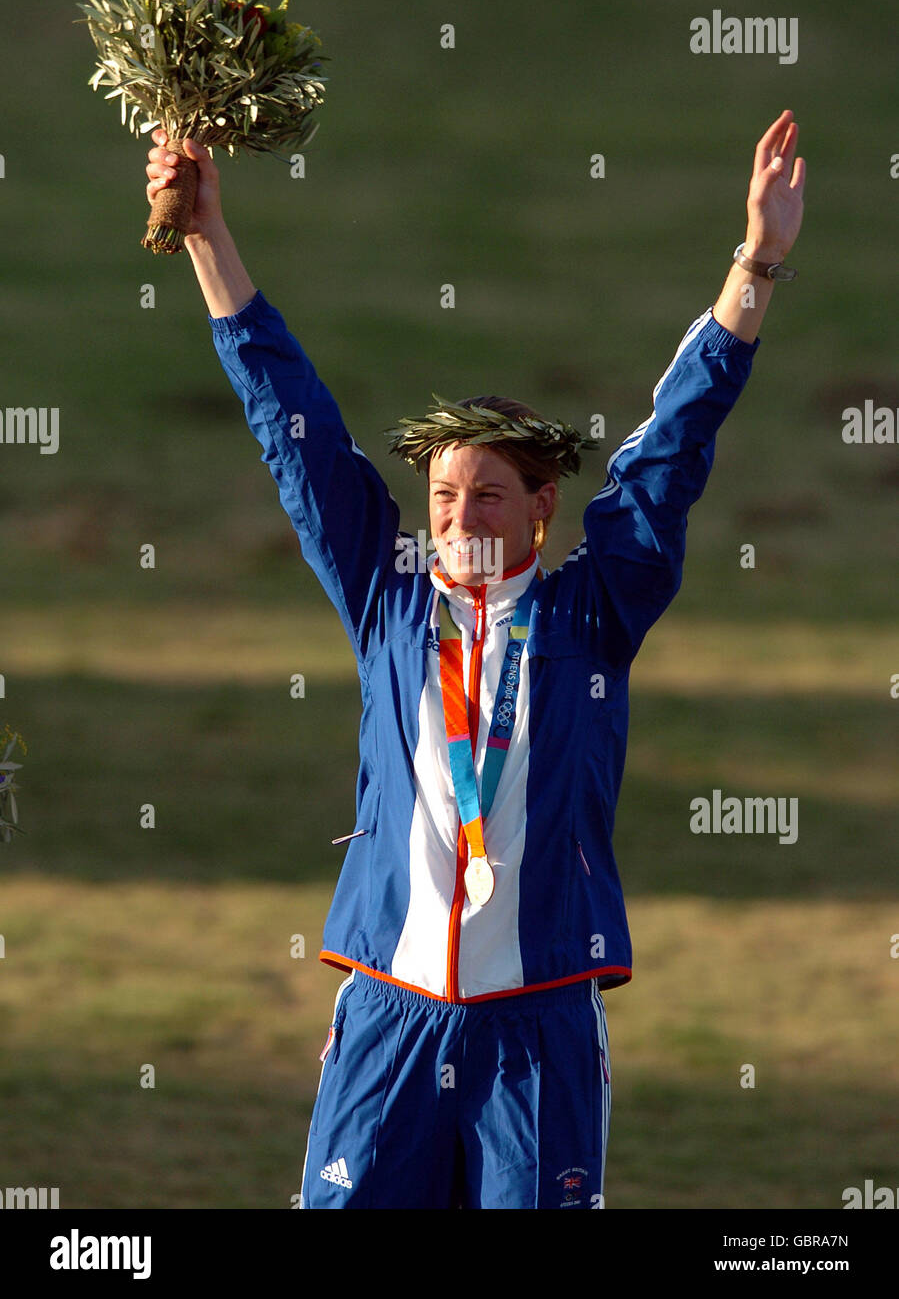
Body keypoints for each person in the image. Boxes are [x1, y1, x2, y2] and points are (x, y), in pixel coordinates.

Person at [146, 110, 805, 1209]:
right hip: (389, 1012)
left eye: (487, 494)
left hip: (536, 1018)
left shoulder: (592, 612)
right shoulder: (384, 600)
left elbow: (670, 454)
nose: (457, 516)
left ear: (542, 508)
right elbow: (291, 426)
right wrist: (209, 235)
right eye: (443, 493)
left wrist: (756, 265)